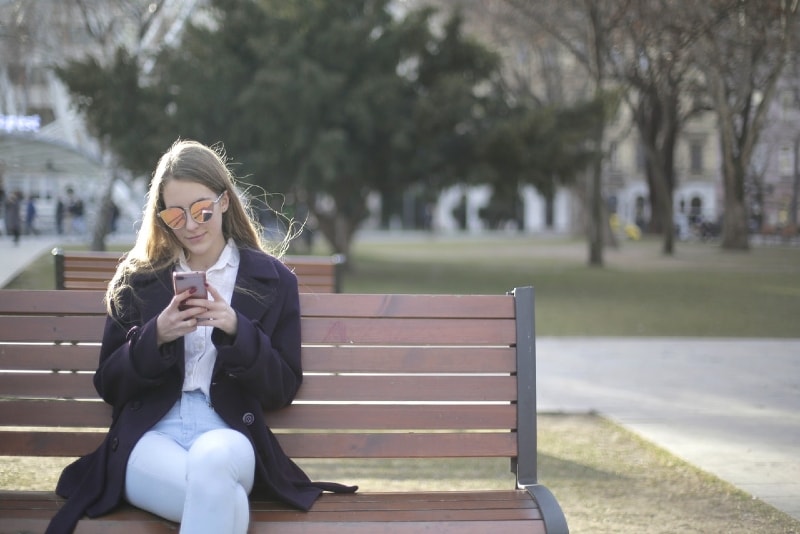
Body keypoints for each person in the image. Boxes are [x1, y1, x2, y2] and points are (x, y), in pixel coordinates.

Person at [46, 139, 356, 534]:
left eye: (201, 210)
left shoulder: (271, 280)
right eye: (176, 216)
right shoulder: (138, 280)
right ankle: (231, 511)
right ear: (162, 219)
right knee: (221, 499)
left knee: (213, 470)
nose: (191, 226)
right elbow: (109, 383)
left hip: (228, 431)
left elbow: (281, 388)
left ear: (224, 201)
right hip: (151, 435)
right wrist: (155, 335)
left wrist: (235, 329)